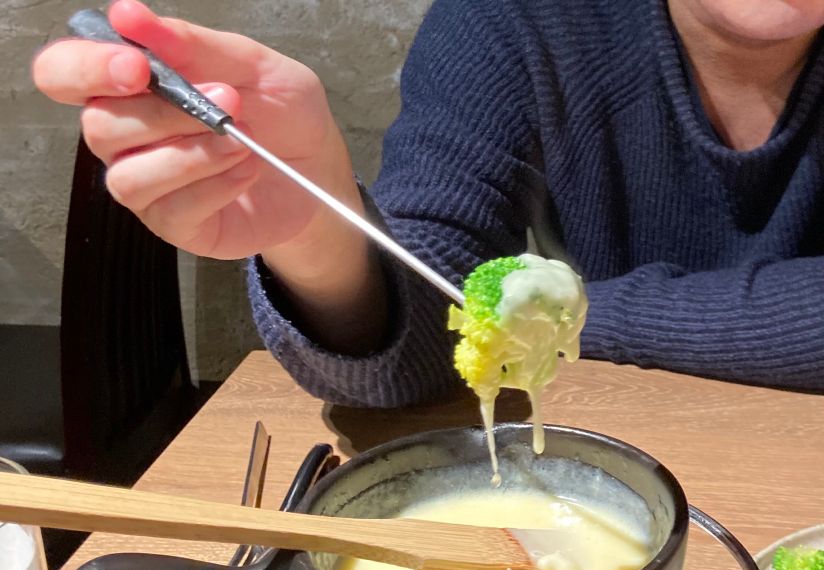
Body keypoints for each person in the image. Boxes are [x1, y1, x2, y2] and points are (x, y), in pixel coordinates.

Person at [33, 0, 824, 406]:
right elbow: (419, 347)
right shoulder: (515, 21)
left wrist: (551, 320)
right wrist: (316, 232)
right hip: (620, 453)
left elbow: (466, 323)